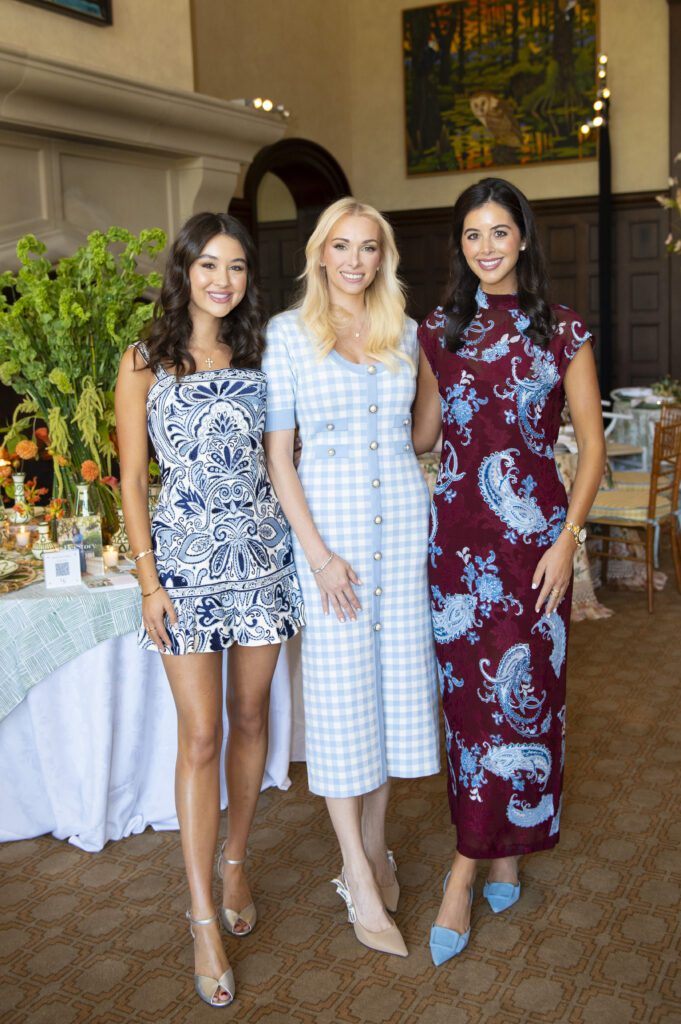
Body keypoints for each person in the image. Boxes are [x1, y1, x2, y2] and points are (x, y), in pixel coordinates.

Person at [412, 178, 605, 965]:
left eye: (498, 232)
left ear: (521, 237)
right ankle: (494, 849)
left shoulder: (562, 330)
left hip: (532, 554)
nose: (485, 248)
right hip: (454, 547)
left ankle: (464, 869)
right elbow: (425, 435)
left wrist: (565, 540)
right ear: (459, 247)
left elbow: (589, 443)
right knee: (469, 717)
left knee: (522, 710)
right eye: (470, 236)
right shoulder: (435, 329)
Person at [115, 212, 304, 1008]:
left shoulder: (264, 356)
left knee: (252, 716)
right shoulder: (143, 360)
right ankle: (201, 916)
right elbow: (130, 480)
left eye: (234, 268)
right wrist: (150, 583)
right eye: (208, 266)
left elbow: (280, 463)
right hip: (183, 570)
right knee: (201, 733)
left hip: (261, 562)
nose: (222, 280)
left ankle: (235, 858)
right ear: (184, 272)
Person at [262, 197, 440, 958]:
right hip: (328, 540)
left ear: (382, 257)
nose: (355, 261)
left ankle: (375, 847)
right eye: (341, 246)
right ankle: (356, 877)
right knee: (339, 704)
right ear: (320, 253)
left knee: (396, 694)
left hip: (402, 531)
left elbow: (424, 431)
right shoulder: (286, 336)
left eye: (368, 248)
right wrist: (319, 555)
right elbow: (278, 457)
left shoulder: (406, 331)